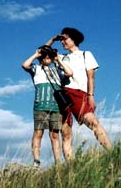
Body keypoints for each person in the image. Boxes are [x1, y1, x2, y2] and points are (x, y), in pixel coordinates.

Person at [45, 27, 112, 161]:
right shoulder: (61, 57)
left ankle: (111, 153)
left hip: (79, 93)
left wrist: (91, 96)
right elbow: (43, 51)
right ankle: (71, 167)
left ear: (73, 39)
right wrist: (53, 39)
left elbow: (91, 77)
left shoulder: (85, 54)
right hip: (63, 95)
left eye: (65, 39)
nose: (62, 42)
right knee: (66, 133)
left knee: (93, 122)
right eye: (61, 39)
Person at [22, 45, 73, 167]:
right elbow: (25, 65)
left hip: (55, 107)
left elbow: (70, 73)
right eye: (44, 57)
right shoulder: (36, 69)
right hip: (40, 106)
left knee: (54, 135)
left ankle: (58, 162)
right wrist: (36, 55)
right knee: (38, 133)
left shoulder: (56, 70)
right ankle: (36, 162)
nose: (46, 60)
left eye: (48, 57)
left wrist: (58, 59)